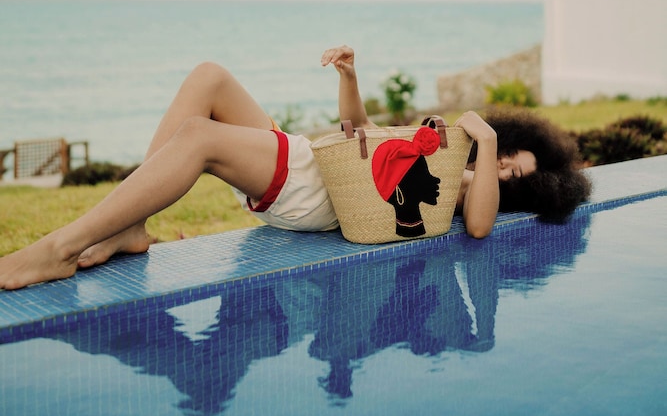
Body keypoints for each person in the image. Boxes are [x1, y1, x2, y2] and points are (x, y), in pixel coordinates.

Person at [0, 45, 590, 291]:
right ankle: (130, 227)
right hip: (315, 162)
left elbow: (480, 227)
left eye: (514, 174)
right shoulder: (450, 151)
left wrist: (487, 143)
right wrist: (350, 78)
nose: (504, 165)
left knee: (199, 138)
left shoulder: (466, 188)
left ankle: (60, 247)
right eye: (510, 156)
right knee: (210, 77)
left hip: (312, 190)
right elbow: (361, 135)